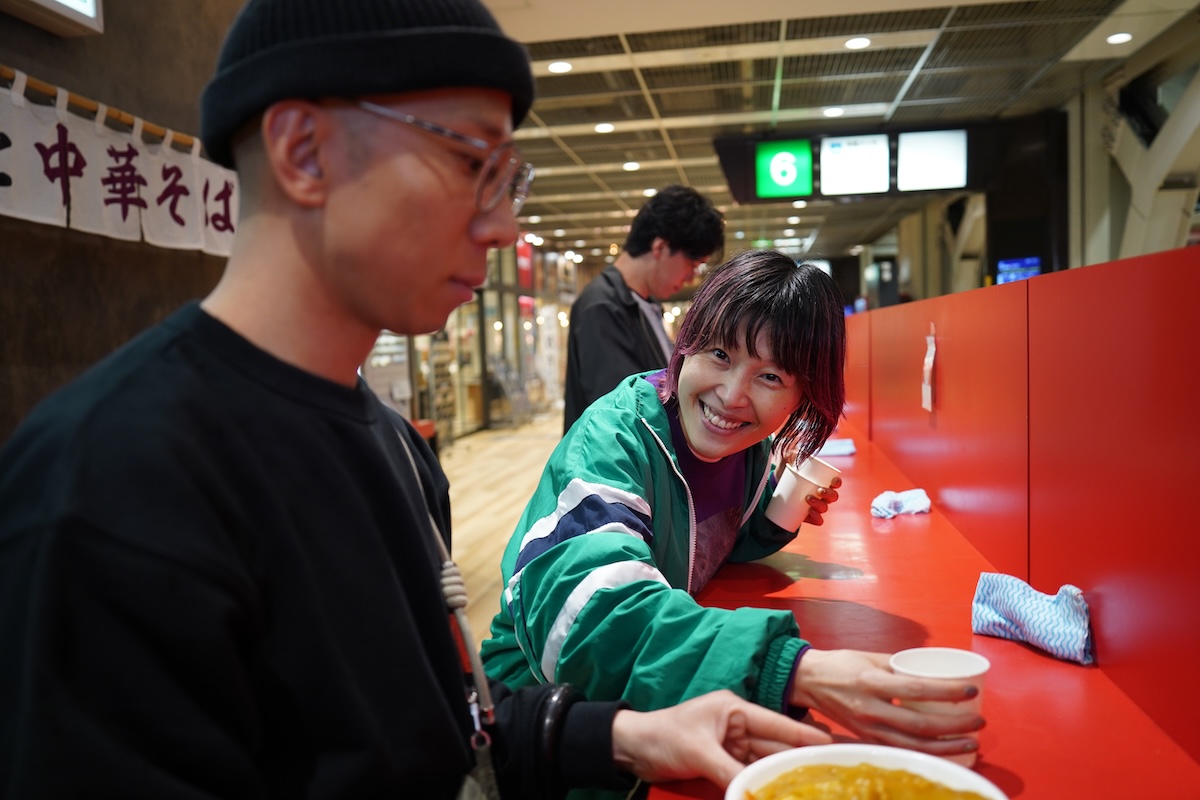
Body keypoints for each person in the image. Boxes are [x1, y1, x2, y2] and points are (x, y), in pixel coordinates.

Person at [0, 2, 833, 799]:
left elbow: (421, 731)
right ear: (303, 151)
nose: (504, 225)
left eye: (508, 179)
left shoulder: (393, 442)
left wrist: (615, 737)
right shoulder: (106, 479)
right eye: (472, 164)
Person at [483, 251, 985, 772]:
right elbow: (587, 619)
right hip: (542, 716)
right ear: (687, 344)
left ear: (802, 398)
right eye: (720, 354)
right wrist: (789, 669)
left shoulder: (745, 451)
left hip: (653, 691)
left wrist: (772, 519)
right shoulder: (612, 441)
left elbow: (710, 540)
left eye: (770, 377)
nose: (731, 396)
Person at [561, 183, 724, 434]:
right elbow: (619, 409)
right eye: (692, 264)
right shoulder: (603, 306)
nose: (692, 277)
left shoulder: (644, 304)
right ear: (660, 248)